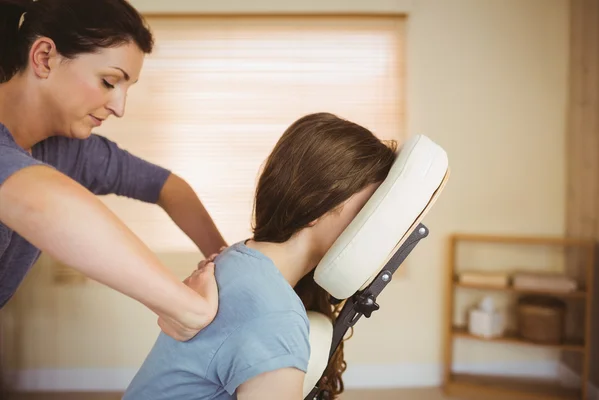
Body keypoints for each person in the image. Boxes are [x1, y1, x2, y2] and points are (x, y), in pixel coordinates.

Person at [123, 112, 397, 400]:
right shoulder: (275, 315)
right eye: (367, 207)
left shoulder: (237, 258)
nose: (371, 224)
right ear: (318, 207)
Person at [0, 0, 227, 346]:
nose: (119, 108)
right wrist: (189, 308)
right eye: (109, 82)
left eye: (127, 88)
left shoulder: (67, 150)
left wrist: (222, 261)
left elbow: (168, 187)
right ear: (45, 57)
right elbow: (42, 202)